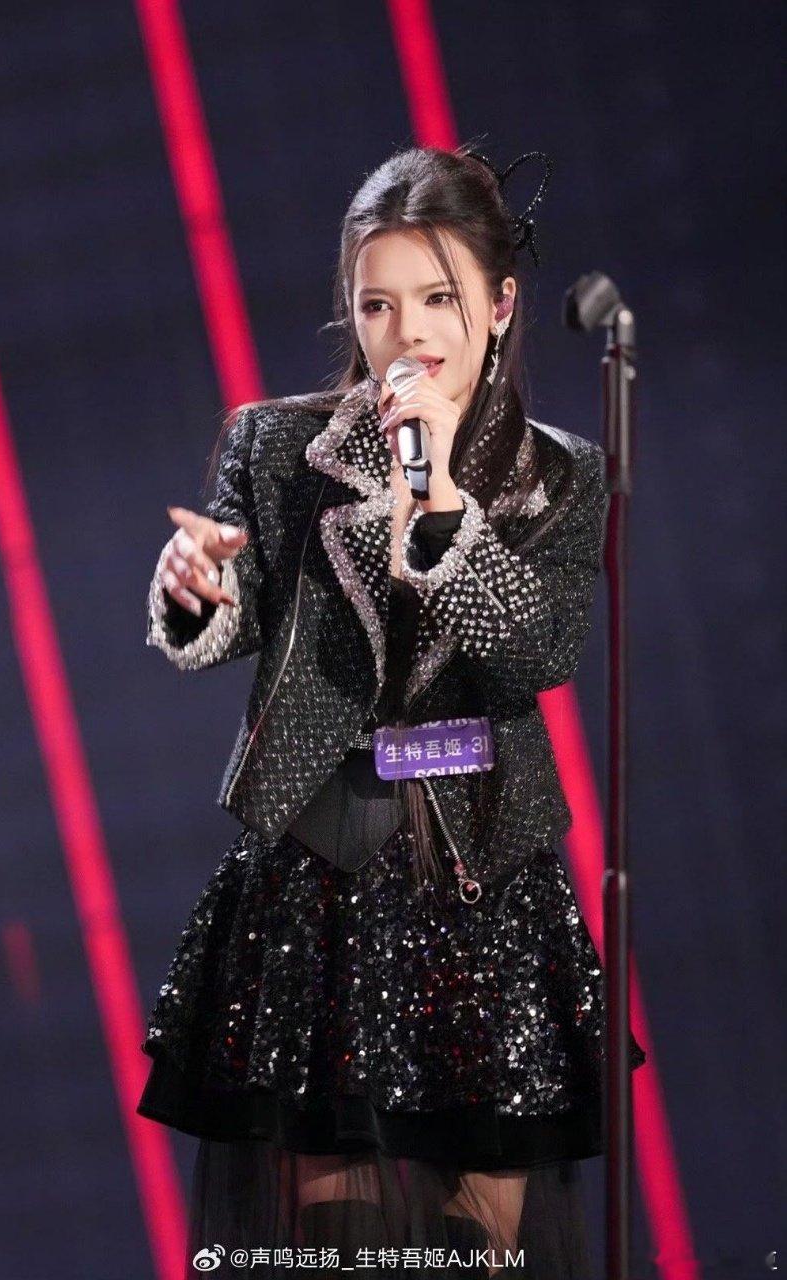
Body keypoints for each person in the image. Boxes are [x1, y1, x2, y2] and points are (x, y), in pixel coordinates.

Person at [136, 143, 646, 1279]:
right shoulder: (277, 446)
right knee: (338, 1238)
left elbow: (537, 650)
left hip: (482, 875)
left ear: (499, 307)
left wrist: (443, 504)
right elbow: (230, 619)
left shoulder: (559, 477)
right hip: (320, 869)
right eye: (376, 304)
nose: (406, 332)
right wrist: (196, 590)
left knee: (477, 1239)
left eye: (436, 299)